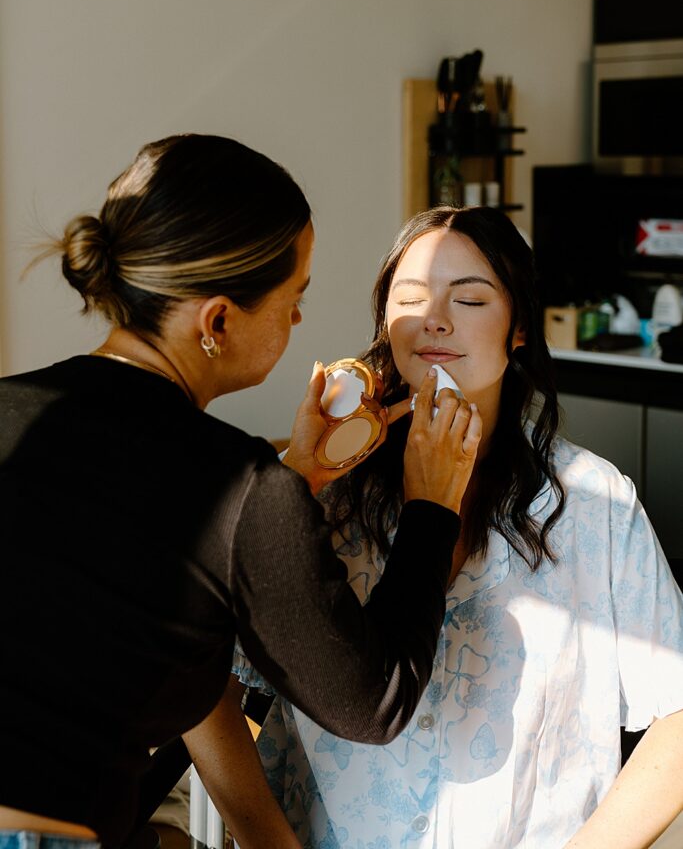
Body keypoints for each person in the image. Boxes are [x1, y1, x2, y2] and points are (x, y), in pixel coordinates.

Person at [0, 137, 483, 849]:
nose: (295, 323)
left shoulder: (22, 411)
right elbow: (372, 704)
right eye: (293, 301)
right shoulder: (237, 487)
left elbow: (128, 550)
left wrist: (296, 474)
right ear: (218, 321)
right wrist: (431, 507)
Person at [223, 205, 683, 849]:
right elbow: (207, 677)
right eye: (409, 298)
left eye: (468, 299)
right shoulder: (321, 496)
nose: (434, 318)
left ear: (519, 327)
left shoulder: (593, 501)